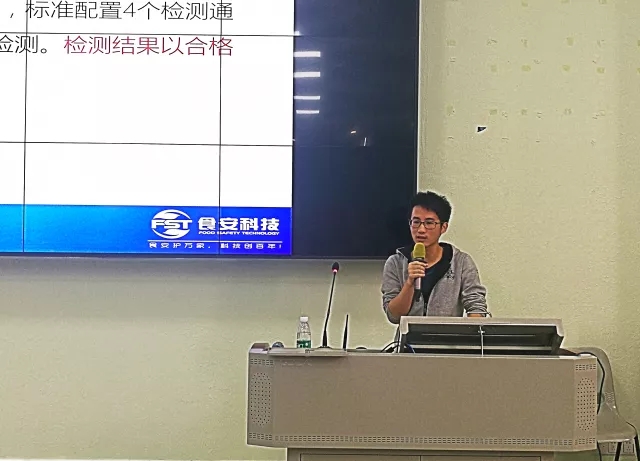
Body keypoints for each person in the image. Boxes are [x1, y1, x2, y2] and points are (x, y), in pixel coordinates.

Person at [381, 191, 489, 324]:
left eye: (429, 223)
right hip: (409, 337)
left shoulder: (461, 262)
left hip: (448, 337)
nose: (421, 229)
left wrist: (468, 332)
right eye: (416, 222)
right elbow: (394, 316)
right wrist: (409, 282)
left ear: (443, 227)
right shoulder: (395, 263)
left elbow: (476, 307)